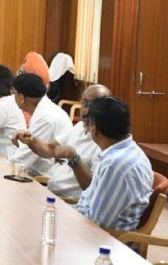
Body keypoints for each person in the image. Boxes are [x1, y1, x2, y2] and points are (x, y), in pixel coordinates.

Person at [63, 97, 153, 231]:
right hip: (87, 226)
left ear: (94, 128)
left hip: (99, 238)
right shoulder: (128, 150)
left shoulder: (115, 165)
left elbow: (96, 222)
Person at [13, 84, 110, 200]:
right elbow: (50, 148)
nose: (86, 110)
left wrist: (74, 158)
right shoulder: (79, 127)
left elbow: (91, 188)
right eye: (84, 103)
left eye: (93, 105)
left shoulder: (104, 141)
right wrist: (30, 139)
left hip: (69, 201)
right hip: (51, 192)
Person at [8, 73, 73, 176]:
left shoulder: (45, 118)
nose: (12, 97)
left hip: (49, 177)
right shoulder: (45, 110)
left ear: (21, 97)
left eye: (13, 93)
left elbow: (21, 161)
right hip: (42, 172)